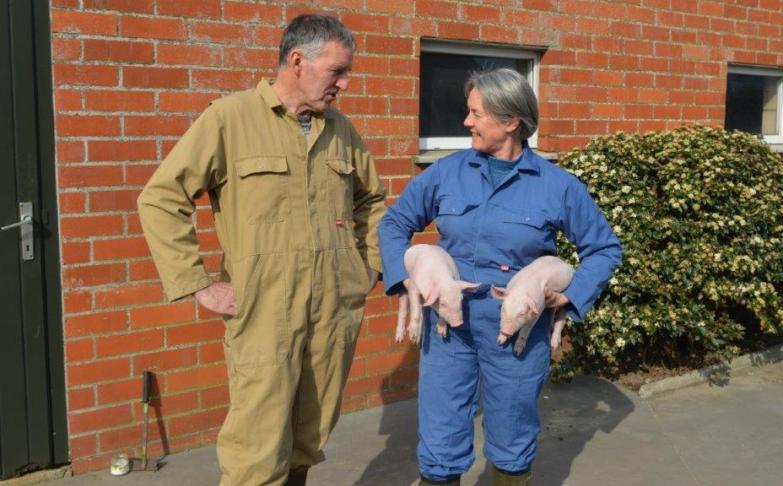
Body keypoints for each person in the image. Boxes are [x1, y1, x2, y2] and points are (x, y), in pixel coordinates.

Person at [137, 14, 386, 486]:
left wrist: (368, 265)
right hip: (266, 312)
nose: (345, 83)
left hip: (333, 309)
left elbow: (370, 200)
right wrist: (198, 285)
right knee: (257, 448)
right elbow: (160, 198)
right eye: (337, 71)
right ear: (298, 61)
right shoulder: (230, 119)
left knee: (309, 438)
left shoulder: (341, 130)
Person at [378, 68, 622, 485]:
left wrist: (571, 296)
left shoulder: (557, 186)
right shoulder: (447, 172)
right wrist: (406, 278)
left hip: (516, 332)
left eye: (476, 113)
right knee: (439, 439)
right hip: (448, 329)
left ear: (511, 122)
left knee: (512, 439)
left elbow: (604, 249)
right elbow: (394, 223)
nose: (466, 122)